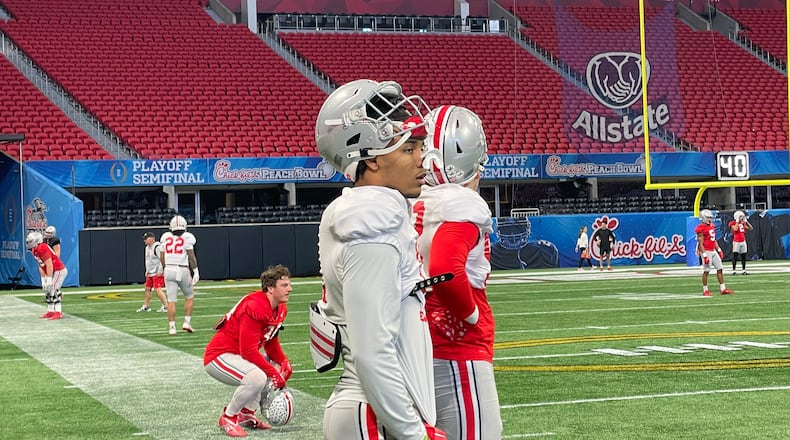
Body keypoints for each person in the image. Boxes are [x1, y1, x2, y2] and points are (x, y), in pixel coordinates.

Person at [314, 79, 445, 440]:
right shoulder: (371, 219)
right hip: (372, 415)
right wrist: (413, 433)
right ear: (370, 158)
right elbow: (372, 351)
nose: (422, 159)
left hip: (376, 410)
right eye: (408, 149)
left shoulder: (375, 211)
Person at [414, 105, 502, 440]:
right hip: (455, 346)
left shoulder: (415, 200)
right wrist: (471, 315)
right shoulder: (461, 203)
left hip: (420, 340)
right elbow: (445, 268)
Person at [204, 265, 293, 438]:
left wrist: (283, 362)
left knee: (273, 366)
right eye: (284, 285)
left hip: (238, 355)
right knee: (258, 376)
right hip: (220, 356)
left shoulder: (280, 308)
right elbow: (248, 351)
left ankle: (246, 414)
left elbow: (270, 339)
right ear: (270, 288)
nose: (290, 289)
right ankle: (229, 417)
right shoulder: (255, 305)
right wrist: (273, 373)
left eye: (289, 284)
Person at [159, 215, 199, 335]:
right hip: (182, 269)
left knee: (171, 300)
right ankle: (186, 322)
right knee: (189, 296)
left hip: (169, 269)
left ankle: (172, 327)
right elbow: (191, 256)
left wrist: (165, 268)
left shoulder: (165, 237)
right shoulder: (187, 237)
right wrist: (196, 270)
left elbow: (162, 256)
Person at [27, 231, 68, 320]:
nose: (29, 243)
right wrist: (43, 279)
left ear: (37, 241)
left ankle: (58, 312)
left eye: (30, 241)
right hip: (51, 271)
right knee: (47, 290)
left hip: (59, 270)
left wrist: (49, 279)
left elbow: (49, 265)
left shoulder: (43, 247)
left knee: (53, 288)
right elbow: (41, 265)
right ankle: (50, 311)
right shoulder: (34, 250)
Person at [695, 209, 734, 296]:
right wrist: (704, 255)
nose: (710, 219)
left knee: (720, 268)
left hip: (713, 250)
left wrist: (719, 249)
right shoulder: (700, 228)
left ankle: (723, 288)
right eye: (708, 218)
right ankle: (705, 290)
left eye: (710, 217)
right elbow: (700, 243)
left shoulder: (712, 226)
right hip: (706, 251)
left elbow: (714, 239)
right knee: (706, 271)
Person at [138, 232, 168, 313]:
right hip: (150, 272)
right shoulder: (147, 248)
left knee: (157, 289)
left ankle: (166, 306)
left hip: (156, 272)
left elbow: (162, 259)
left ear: (151, 238)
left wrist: (160, 270)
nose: (144, 241)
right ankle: (146, 306)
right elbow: (147, 260)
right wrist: (147, 271)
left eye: (146, 239)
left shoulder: (157, 247)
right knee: (147, 288)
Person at [729, 210, 753, 275]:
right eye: (740, 216)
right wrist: (737, 221)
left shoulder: (743, 223)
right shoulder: (732, 223)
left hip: (743, 241)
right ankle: (734, 270)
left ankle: (744, 270)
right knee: (735, 256)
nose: (741, 218)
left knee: (743, 256)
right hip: (736, 241)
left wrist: (746, 221)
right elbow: (735, 229)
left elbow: (751, 228)